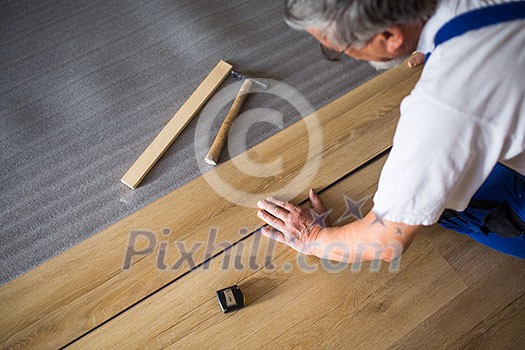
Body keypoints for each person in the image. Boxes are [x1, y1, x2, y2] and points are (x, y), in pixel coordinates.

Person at [256, 0, 525, 263]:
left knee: (440, 204)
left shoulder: (442, 108)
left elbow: (385, 241)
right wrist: (435, 46)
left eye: (339, 49)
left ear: (391, 36)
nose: (342, 52)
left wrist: (311, 236)